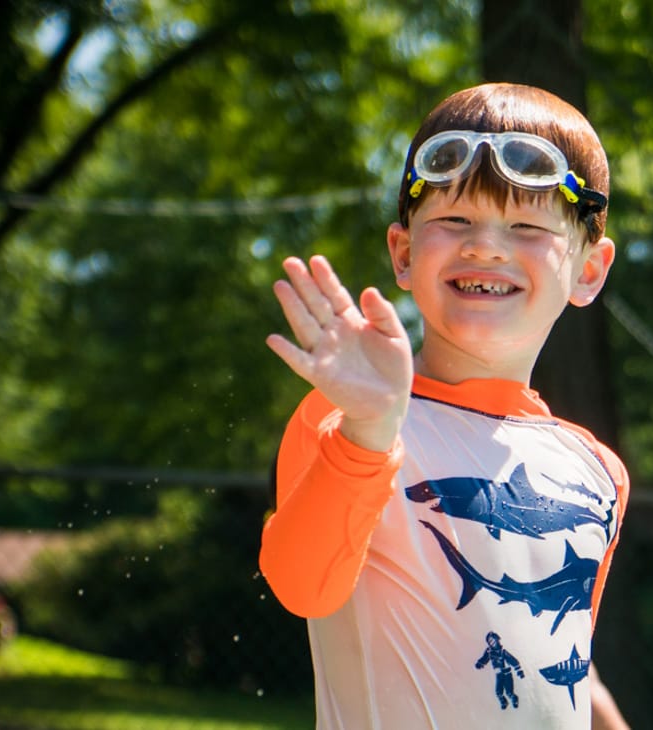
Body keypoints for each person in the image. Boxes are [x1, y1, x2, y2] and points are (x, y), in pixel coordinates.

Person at [260, 82, 630, 729]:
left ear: (589, 270)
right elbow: (301, 585)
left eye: (526, 226)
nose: (486, 246)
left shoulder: (599, 472)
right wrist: (371, 430)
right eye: (455, 221)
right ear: (403, 253)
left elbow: (559, 652)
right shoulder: (351, 418)